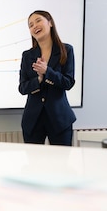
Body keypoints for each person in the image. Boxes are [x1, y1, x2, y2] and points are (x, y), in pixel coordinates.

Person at [18, 10, 76, 146]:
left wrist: (47, 72)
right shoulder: (27, 55)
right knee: (34, 165)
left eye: (38, 21)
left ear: (50, 23)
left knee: (61, 164)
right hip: (33, 120)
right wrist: (38, 80)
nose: (34, 26)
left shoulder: (66, 50)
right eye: (30, 25)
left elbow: (68, 82)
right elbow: (22, 88)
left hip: (60, 119)